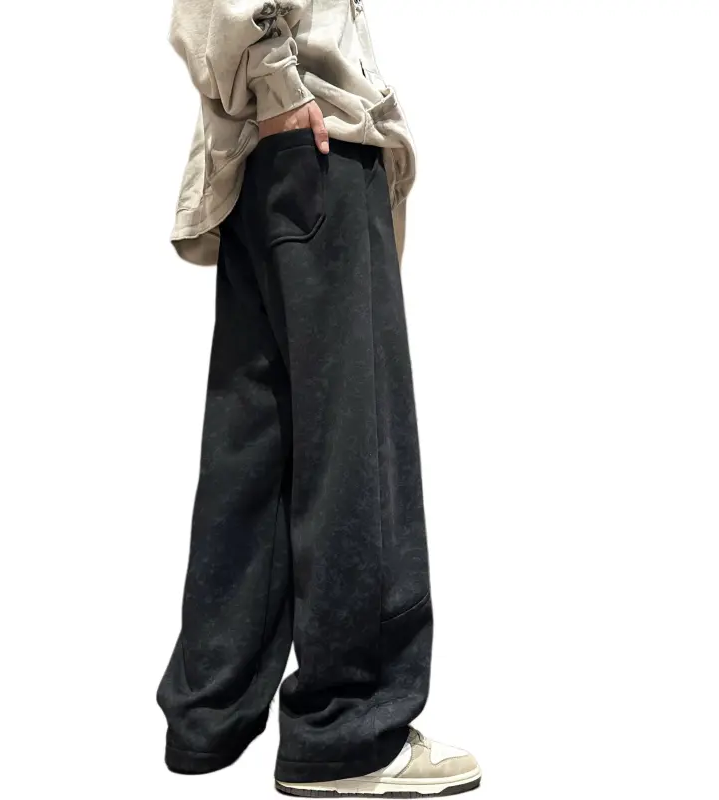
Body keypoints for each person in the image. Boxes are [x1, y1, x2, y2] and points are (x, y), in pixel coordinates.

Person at [156, 1, 482, 796]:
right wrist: (280, 84)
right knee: (356, 453)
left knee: (255, 450)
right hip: (318, 146)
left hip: (265, 159)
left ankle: (210, 712)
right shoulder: (296, 102)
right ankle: (349, 729)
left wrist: (271, 90)